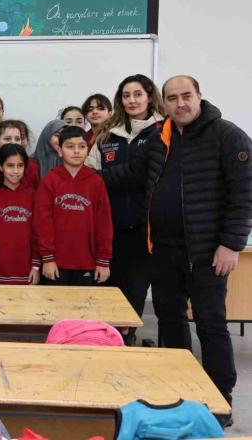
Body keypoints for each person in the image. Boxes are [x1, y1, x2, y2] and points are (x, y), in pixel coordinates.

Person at [101, 76, 252, 422]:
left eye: (186, 96)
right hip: (163, 250)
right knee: (169, 322)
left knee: (210, 325)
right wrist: (84, 176)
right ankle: (178, 393)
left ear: (199, 96)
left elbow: (244, 194)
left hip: (207, 253)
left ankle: (219, 400)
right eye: (172, 98)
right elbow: (129, 174)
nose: (180, 103)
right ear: (164, 102)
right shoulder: (160, 137)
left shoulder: (227, 136)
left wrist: (231, 244)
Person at [85, 74, 163, 344]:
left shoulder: (163, 130)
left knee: (135, 291)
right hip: (110, 228)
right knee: (108, 290)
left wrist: (110, 177)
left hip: (146, 229)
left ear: (150, 97)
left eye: (138, 94)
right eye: (126, 95)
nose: (131, 100)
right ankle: (108, 342)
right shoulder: (107, 133)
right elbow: (90, 176)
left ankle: (127, 342)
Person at [34, 126, 112, 286]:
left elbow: (104, 223)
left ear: (87, 150)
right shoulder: (50, 180)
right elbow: (42, 222)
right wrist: (47, 258)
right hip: (55, 263)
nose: (76, 151)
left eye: (81, 146)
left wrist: (103, 260)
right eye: (70, 146)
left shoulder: (96, 181)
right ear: (59, 150)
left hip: (87, 262)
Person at [0, 144, 39, 285]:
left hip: (26, 271)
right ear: (0, 167)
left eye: (20, 166)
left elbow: (37, 234)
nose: (15, 171)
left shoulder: (33, 195)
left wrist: (36, 266)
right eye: (10, 166)